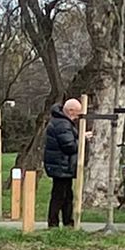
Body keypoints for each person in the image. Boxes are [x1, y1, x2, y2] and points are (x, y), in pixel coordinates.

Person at [43, 97, 80, 228]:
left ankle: (66, 221)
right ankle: (54, 222)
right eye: (77, 113)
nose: (77, 117)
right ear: (70, 111)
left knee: (65, 194)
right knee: (60, 195)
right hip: (61, 164)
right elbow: (69, 146)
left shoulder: (59, 121)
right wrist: (81, 141)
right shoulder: (63, 124)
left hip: (61, 165)